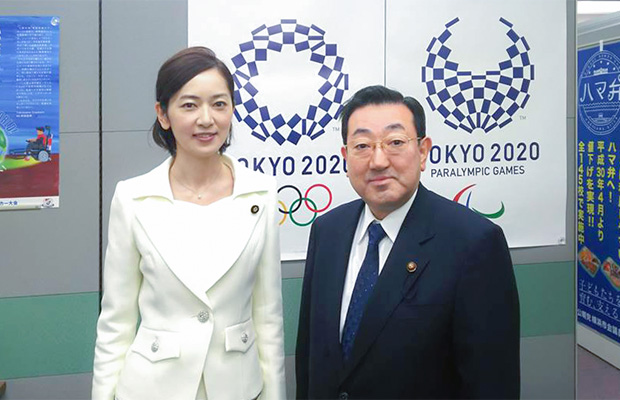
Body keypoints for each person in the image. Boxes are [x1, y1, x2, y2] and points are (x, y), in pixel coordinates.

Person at [296, 85, 520, 399]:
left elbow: (491, 382)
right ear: (346, 156)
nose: (378, 161)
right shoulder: (327, 231)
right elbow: (309, 356)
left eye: (395, 142)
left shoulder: (474, 243)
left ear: (423, 151)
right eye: (362, 145)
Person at [92, 47, 286, 400]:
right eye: (189, 105)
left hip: (238, 388)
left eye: (219, 104)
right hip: (151, 389)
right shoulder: (133, 198)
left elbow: (268, 316)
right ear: (163, 114)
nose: (206, 119)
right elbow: (115, 322)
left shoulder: (261, 193)